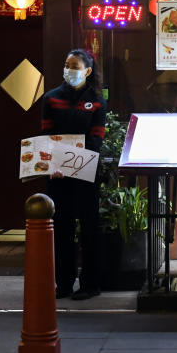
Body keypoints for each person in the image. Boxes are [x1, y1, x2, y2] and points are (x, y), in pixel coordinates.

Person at [40, 48, 107, 300]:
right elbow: (47, 136)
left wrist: (76, 162)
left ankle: (91, 284)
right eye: (67, 64)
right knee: (62, 227)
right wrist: (53, 165)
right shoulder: (51, 98)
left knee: (90, 228)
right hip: (57, 174)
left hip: (87, 171)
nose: (70, 70)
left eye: (75, 66)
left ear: (88, 71)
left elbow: (96, 139)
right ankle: (64, 284)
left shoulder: (98, 101)